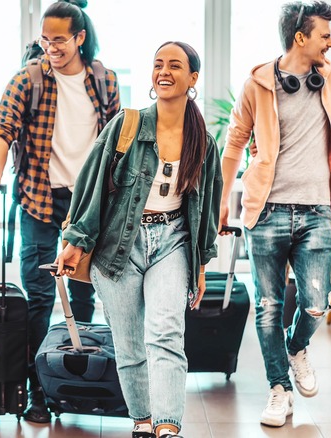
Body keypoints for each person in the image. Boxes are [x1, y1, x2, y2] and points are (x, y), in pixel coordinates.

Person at [58, 41, 221, 438]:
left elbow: (206, 211)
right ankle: (143, 423)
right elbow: (92, 185)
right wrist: (75, 241)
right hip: (119, 246)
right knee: (129, 344)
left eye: (175, 66)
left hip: (173, 242)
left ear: (192, 79)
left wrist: (199, 265)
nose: (164, 72)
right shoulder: (127, 125)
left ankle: (168, 427)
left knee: (165, 333)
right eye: (158, 64)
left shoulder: (203, 141)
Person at [0, 0, 120, 422]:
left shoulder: (104, 80)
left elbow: (118, 139)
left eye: (59, 39)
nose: (51, 47)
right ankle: (38, 391)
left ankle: (77, 378)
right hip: (39, 200)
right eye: (45, 39)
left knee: (83, 291)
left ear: (80, 38)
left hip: (88, 204)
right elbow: (3, 128)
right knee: (38, 298)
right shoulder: (28, 79)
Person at [219, 1, 331, 427]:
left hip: (317, 211)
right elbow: (235, 142)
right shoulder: (257, 83)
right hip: (266, 210)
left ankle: (297, 349)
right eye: (324, 36)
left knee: (316, 304)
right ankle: (278, 389)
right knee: (268, 306)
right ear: (301, 38)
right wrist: (224, 198)